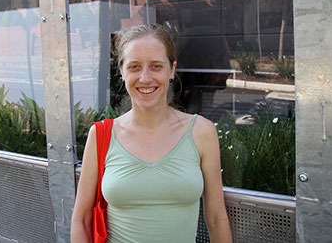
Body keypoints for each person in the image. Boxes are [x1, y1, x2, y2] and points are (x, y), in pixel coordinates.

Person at [71, 24, 232, 243]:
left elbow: (216, 219)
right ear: (122, 71)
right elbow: (81, 219)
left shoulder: (201, 132)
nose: (145, 78)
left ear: (172, 70)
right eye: (135, 67)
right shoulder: (101, 135)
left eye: (156, 66)